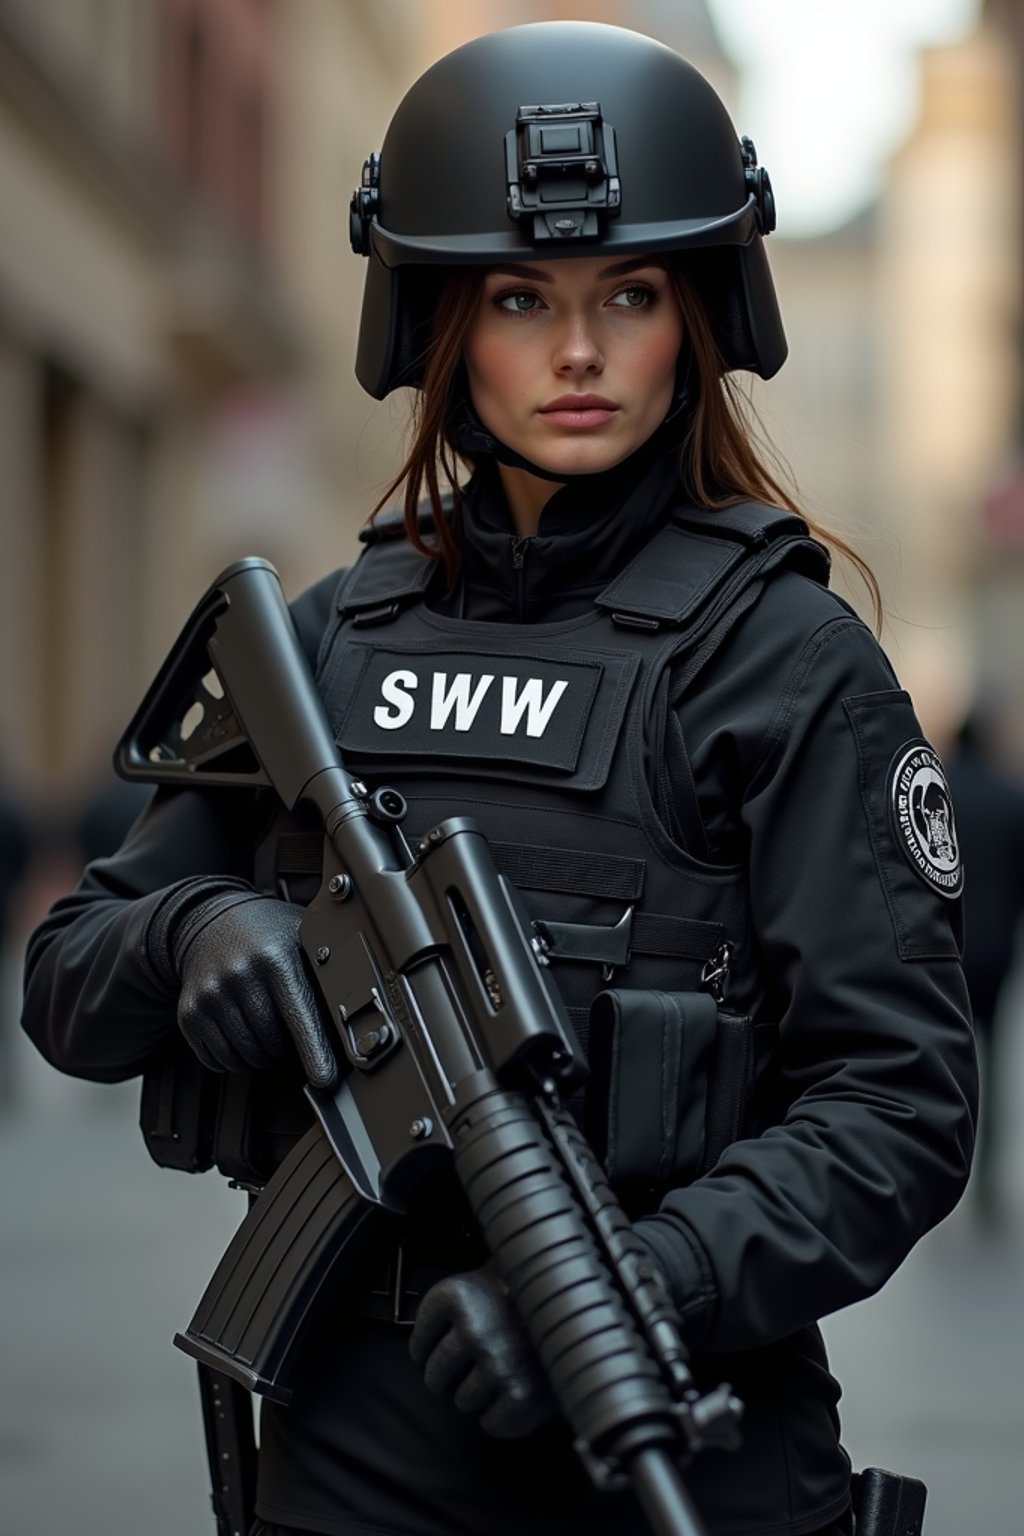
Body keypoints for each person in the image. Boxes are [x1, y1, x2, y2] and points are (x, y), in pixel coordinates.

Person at [21, 22, 977, 1536]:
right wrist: (192, 937)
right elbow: (71, 980)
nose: (579, 352)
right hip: (348, 1451)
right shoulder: (335, 641)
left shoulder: (785, 658)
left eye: (631, 295)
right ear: (442, 322)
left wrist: (633, 1286)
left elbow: (899, 1102)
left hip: (673, 1417)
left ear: (699, 314)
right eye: (523, 298)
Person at [945, 702, 1024, 1224]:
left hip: (949, 950)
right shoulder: (1009, 799)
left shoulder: (940, 793)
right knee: (992, 1059)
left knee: (949, 1059)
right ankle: (988, 1177)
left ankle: (948, 1163)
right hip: (996, 950)